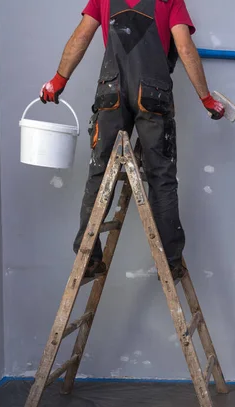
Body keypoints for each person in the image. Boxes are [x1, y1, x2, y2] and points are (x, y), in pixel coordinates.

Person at [39, 0, 225, 281]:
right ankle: (170, 261)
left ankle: (88, 256)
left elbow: (81, 36)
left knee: (99, 174)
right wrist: (206, 98)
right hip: (153, 94)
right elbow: (184, 47)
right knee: (161, 177)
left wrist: (58, 80)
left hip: (110, 93)